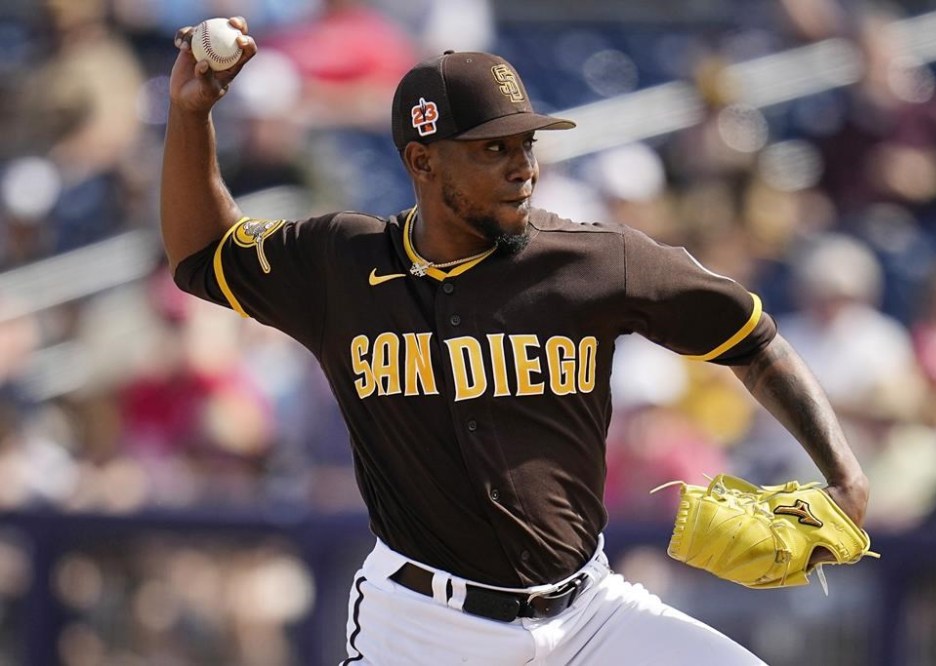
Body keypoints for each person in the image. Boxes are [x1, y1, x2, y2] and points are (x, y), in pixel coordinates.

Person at [161, 17, 870, 665]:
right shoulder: (341, 262)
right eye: (492, 148)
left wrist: (843, 473)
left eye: (526, 143)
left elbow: (750, 335)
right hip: (419, 627)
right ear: (423, 161)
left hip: (589, 614)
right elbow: (201, 253)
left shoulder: (596, 261)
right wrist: (192, 115)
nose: (522, 165)